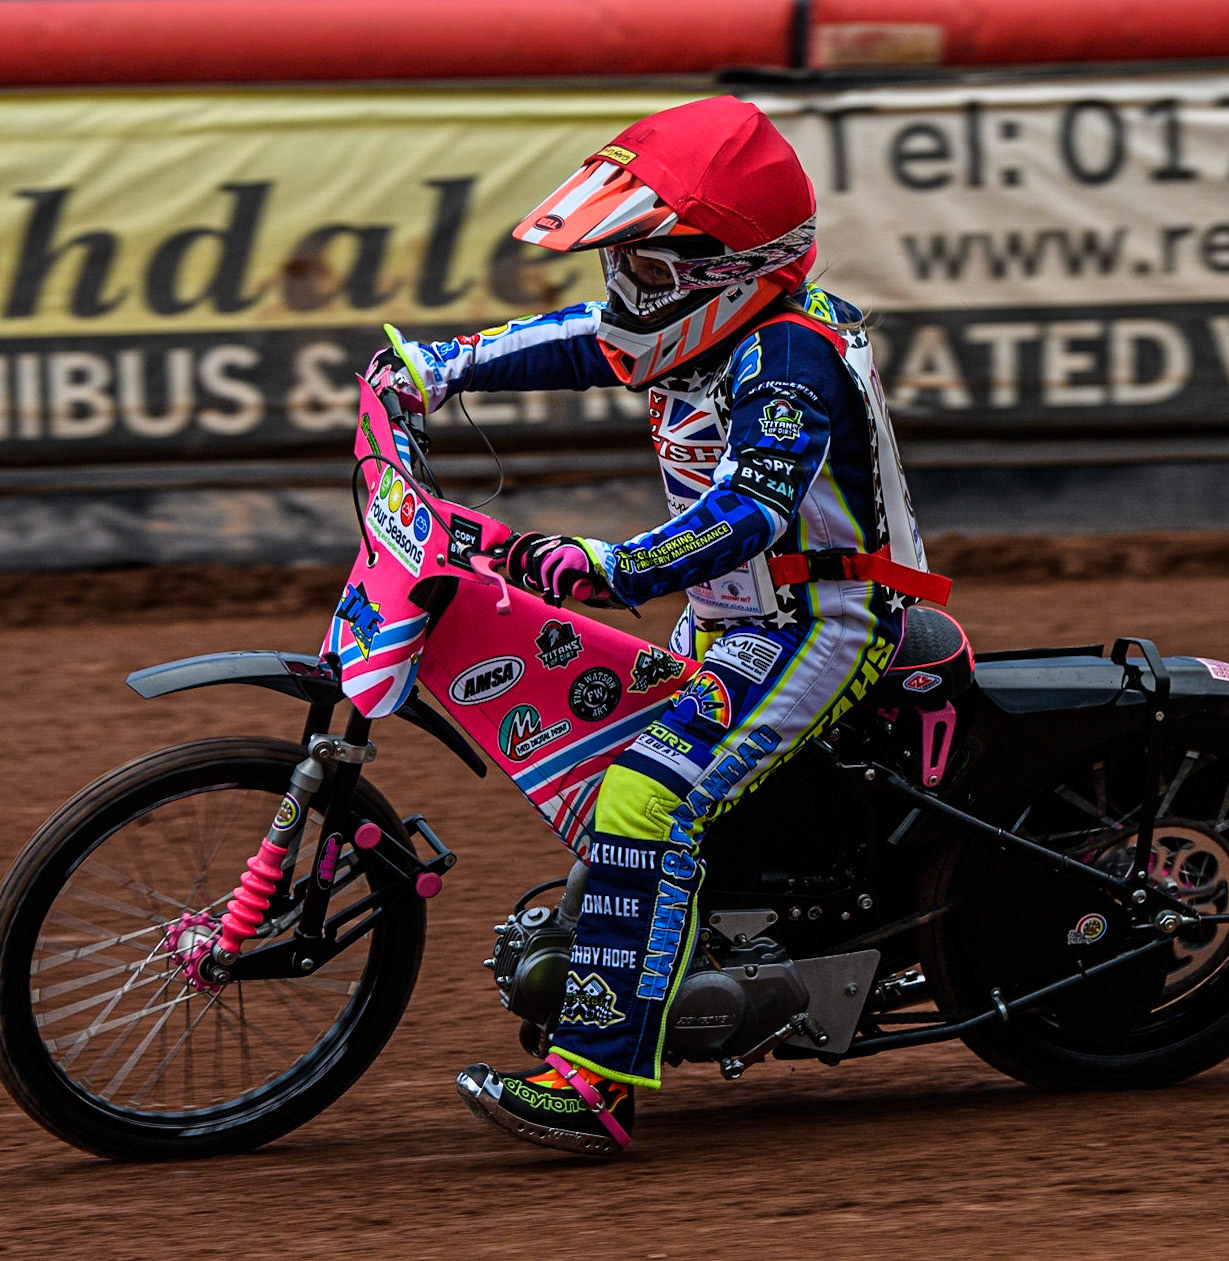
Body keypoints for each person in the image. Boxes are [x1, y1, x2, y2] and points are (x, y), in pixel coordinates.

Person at [366, 95, 938, 1157]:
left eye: (645, 272)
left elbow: (748, 515)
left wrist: (612, 565)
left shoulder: (788, 364)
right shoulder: (704, 319)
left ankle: (594, 1086)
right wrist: (437, 368)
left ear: (725, 272)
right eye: (621, 265)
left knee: (648, 791)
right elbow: (584, 340)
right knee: (613, 763)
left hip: (819, 620)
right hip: (730, 616)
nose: (622, 293)